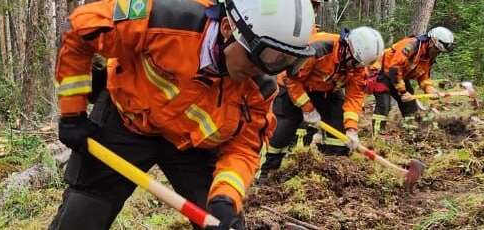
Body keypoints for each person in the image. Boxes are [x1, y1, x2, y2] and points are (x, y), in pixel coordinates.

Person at [50, 0, 316, 229]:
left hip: (192, 145)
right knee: (83, 216)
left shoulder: (260, 88)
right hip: (127, 119)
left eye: (285, 61)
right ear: (227, 28)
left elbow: (243, 148)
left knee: (223, 221)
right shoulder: (163, 19)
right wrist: (72, 114)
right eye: (267, 56)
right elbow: (78, 31)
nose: (267, 70)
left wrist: (226, 197)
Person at [259, 27, 384, 181]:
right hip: (293, 84)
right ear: (348, 49)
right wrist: (308, 108)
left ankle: (330, 169)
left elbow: (355, 96)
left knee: (339, 127)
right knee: (285, 127)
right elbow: (292, 79)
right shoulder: (319, 49)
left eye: (360, 65)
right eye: (355, 63)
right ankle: (267, 171)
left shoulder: (358, 65)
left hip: (326, 89)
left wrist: (351, 128)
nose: (357, 68)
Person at [370, 27, 454, 135]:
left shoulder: (429, 56)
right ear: (431, 42)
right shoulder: (411, 46)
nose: (437, 53)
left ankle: (411, 134)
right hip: (382, 73)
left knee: (410, 106)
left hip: (399, 77)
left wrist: (429, 89)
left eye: (440, 52)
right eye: (437, 50)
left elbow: (423, 76)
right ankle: (377, 136)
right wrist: (403, 92)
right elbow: (394, 70)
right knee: (384, 106)